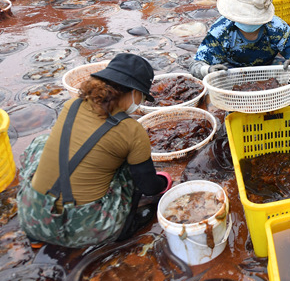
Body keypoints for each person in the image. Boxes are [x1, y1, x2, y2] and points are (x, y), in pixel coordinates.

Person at [16, 53, 173, 248]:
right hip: (85, 230)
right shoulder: (131, 130)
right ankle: (123, 227)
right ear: (134, 91)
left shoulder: (71, 105)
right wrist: (162, 182)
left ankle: (38, 238)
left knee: (43, 142)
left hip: (32, 215)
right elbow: (149, 186)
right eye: (142, 95)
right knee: (128, 168)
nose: (141, 101)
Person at [189, 0, 290, 79]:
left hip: (267, 69)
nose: (249, 22)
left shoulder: (277, 28)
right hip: (231, 72)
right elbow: (197, 64)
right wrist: (208, 70)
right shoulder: (220, 31)